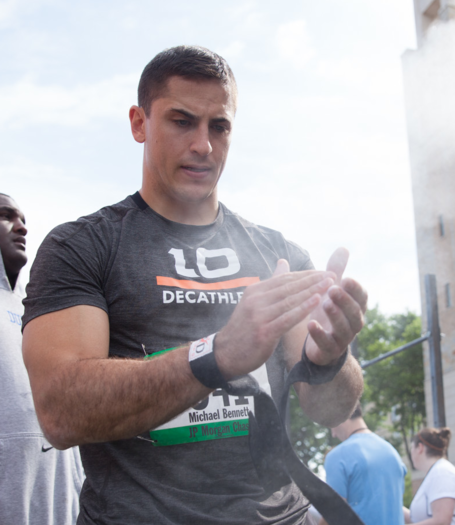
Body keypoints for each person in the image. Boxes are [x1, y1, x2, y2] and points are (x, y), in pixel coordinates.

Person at [22, 46, 366, 525]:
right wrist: (217, 354)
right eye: (182, 121)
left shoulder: (278, 254)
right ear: (139, 123)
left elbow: (329, 411)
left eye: (218, 126)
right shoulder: (83, 246)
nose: (204, 144)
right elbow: (61, 412)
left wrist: (330, 359)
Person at [0, 193, 83, 524]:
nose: (21, 227)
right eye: (6, 216)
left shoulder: (38, 310)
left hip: (60, 499)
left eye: (23, 220)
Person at [320, 402, 407, 525]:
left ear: (338, 417)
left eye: (331, 426)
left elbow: (335, 514)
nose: (333, 434)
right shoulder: (393, 453)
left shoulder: (338, 456)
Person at [404, 427, 455, 525]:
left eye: (412, 447)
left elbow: (441, 521)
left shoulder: (442, 473)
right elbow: (417, 520)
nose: (411, 452)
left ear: (420, 448)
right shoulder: (436, 472)